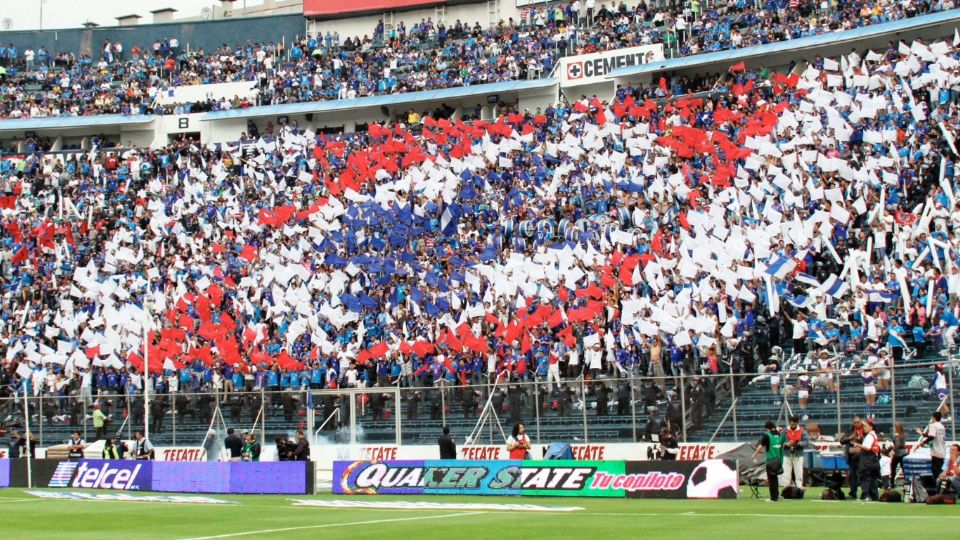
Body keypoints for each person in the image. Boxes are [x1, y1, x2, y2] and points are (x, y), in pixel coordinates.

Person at [752, 420, 784, 501]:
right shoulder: (781, 435)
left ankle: (773, 498)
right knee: (775, 479)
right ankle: (776, 495)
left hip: (770, 460)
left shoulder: (767, 436)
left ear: (768, 428)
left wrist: (754, 455)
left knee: (771, 479)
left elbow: (760, 447)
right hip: (779, 460)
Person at [855, 419, 881, 501]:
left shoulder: (869, 436)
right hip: (874, 461)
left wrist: (858, 444)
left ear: (871, 427)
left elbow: (867, 447)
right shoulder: (874, 435)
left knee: (866, 478)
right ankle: (875, 497)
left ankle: (865, 496)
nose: (864, 428)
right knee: (873, 480)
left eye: (866, 426)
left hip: (868, 461)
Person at [915, 411, 947, 477]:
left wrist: (923, 442)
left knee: (935, 471)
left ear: (934, 417)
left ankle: (937, 485)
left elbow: (932, 436)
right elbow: (933, 435)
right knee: (941, 470)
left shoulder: (933, 425)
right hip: (942, 451)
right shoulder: (941, 426)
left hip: (935, 452)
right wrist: (921, 433)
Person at [782, 416, 808, 488]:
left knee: (799, 472)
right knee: (786, 473)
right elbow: (781, 442)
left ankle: (799, 487)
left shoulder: (802, 431)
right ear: (790, 423)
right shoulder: (784, 431)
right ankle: (786, 488)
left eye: (795, 423)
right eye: (792, 423)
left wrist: (799, 443)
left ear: (797, 423)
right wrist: (786, 444)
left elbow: (806, 442)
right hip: (787, 454)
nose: (793, 425)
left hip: (798, 455)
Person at [888, 423, 908, 488]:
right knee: (904, 468)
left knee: (893, 467)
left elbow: (897, 444)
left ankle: (892, 483)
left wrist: (892, 450)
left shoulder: (897, 436)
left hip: (898, 454)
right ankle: (906, 482)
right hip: (904, 453)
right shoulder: (903, 435)